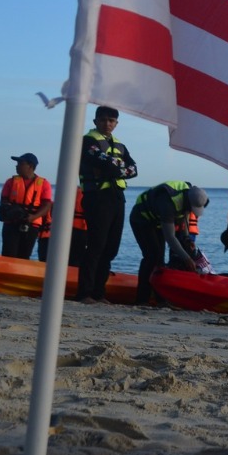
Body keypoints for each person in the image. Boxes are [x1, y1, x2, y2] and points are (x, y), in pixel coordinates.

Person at [75, 106, 136, 303]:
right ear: (95, 121)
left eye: (111, 121)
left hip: (117, 197)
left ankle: (99, 293)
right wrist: (118, 167)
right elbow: (101, 160)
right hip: (97, 197)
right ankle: (84, 293)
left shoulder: (120, 146)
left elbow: (134, 169)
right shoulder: (88, 141)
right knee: (96, 245)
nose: (107, 124)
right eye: (103, 120)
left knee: (111, 248)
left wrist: (115, 167)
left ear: (116, 124)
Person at [130, 181, 209, 305]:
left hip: (157, 222)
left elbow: (184, 220)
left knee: (160, 260)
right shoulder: (168, 203)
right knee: (152, 256)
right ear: (188, 201)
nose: (192, 211)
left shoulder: (187, 198)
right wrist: (187, 258)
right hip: (142, 219)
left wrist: (187, 240)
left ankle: (160, 299)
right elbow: (170, 238)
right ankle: (142, 299)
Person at [0, 154, 53, 260]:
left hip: (31, 225)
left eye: (20, 163)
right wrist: (9, 211)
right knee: (8, 255)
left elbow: (47, 205)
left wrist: (33, 217)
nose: (17, 166)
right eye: (17, 163)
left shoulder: (44, 184)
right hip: (11, 224)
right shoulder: (10, 182)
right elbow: (3, 200)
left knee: (24, 256)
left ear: (30, 166)